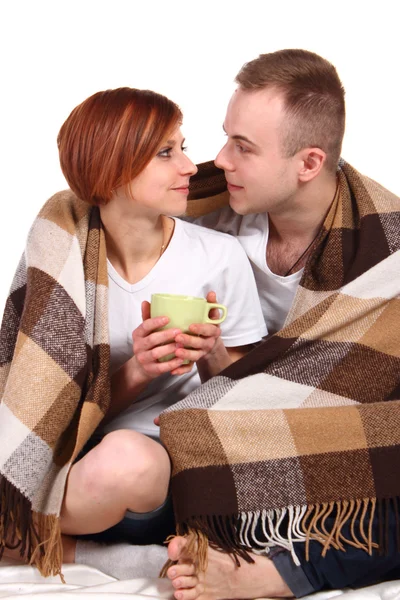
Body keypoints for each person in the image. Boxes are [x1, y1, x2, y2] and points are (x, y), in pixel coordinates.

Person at [161, 50, 400, 598]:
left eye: (244, 148)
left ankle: (271, 573)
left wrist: (225, 369)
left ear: (309, 163)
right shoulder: (198, 213)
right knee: (131, 460)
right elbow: (103, 207)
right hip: (196, 435)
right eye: (225, 138)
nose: (219, 160)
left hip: (323, 437)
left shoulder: (388, 252)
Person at [0, 87, 267, 579]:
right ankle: (93, 554)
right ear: (112, 171)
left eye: (183, 147)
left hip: (165, 471)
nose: (190, 166)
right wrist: (137, 370)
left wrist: (211, 355)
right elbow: (43, 401)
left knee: (129, 459)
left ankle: (25, 541)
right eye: (167, 153)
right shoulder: (64, 259)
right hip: (75, 464)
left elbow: (247, 399)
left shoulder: (218, 256)